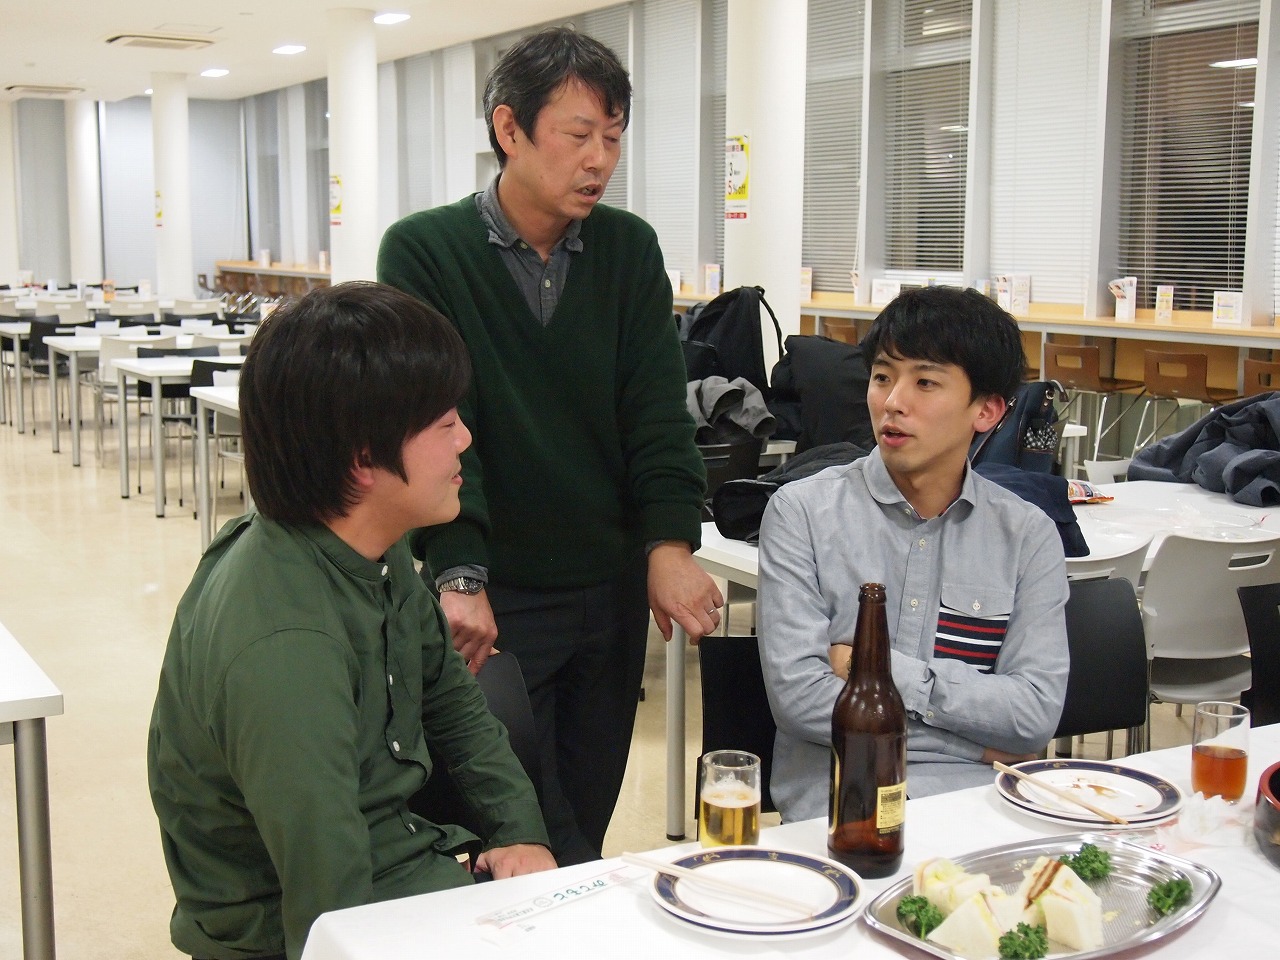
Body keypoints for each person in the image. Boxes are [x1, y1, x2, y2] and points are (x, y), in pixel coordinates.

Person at [377, 27, 722, 864]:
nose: (599, 160)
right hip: (495, 591)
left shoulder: (628, 250)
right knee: (517, 821)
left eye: (614, 138)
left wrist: (669, 544)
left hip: (607, 588)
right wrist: (458, 573)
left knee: (587, 814)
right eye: (578, 135)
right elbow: (435, 425)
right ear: (510, 129)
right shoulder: (424, 251)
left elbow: (656, 412)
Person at [147, 282, 556, 960]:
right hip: (301, 924)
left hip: (400, 863)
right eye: (443, 424)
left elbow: (455, 706)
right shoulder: (286, 646)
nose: (465, 438)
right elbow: (326, 906)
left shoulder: (370, 546)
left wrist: (521, 831)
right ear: (363, 459)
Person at [757, 286, 1069, 821]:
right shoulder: (802, 513)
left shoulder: (1028, 536)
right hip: (842, 811)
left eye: (925, 382)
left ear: (987, 410)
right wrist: (974, 746)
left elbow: (1033, 714)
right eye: (883, 377)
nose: (893, 402)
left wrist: (875, 669)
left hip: (980, 813)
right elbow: (802, 701)